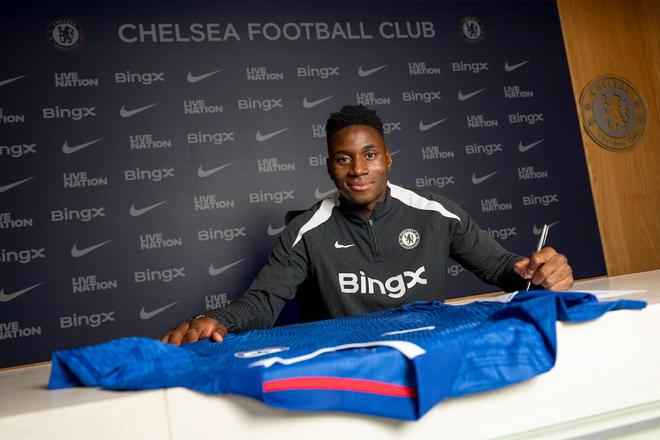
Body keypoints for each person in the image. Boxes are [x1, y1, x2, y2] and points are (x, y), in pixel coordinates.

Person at [162, 105, 573, 346]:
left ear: (388, 159)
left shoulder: (435, 212)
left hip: (426, 352)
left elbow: (502, 268)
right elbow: (262, 303)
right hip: (351, 369)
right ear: (330, 167)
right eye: (344, 159)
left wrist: (540, 273)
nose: (358, 169)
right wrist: (216, 319)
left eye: (370, 155)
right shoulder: (306, 231)